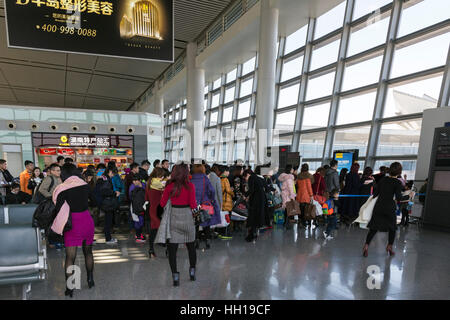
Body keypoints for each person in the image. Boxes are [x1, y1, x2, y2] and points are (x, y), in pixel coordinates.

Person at [50, 163, 95, 298]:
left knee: (70, 257)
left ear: (64, 174)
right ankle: (90, 279)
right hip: (87, 221)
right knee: (88, 252)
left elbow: (58, 208)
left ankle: (70, 287)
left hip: (71, 223)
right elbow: (94, 201)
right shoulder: (85, 185)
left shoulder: (62, 189)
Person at [158, 164, 198, 287]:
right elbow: (193, 205)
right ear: (186, 173)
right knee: (191, 246)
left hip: (174, 216)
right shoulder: (190, 186)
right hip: (187, 216)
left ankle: (175, 276)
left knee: (172, 249)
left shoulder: (169, 186)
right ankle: (192, 271)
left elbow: (162, 203)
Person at [363, 162, 410, 257]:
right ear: (399, 172)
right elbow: (399, 198)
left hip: (379, 206)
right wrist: (409, 195)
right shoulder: (397, 182)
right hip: (389, 207)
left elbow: (376, 193)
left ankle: (366, 246)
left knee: (374, 228)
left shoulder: (383, 179)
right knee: (392, 228)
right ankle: (389, 247)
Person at [191, 164, 221, 249]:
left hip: (194, 204)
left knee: (196, 224)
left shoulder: (191, 180)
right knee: (206, 223)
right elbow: (212, 191)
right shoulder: (205, 179)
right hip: (205, 203)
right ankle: (207, 242)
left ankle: (196, 241)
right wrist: (211, 199)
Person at [145, 167, 166, 258]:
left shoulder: (149, 183)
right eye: (161, 175)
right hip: (159, 210)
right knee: (164, 229)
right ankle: (168, 250)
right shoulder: (158, 184)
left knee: (154, 230)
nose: (162, 177)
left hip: (152, 209)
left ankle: (151, 249)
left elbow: (146, 198)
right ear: (158, 175)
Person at [242, 169, 267, 242]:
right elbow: (266, 187)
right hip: (261, 200)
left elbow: (251, 190)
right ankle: (254, 233)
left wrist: (245, 195)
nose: (246, 179)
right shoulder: (258, 178)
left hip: (256, 200)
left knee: (252, 217)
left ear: (248, 174)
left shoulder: (251, 178)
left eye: (245, 177)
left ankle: (252, 235)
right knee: (256, 217)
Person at [97, 167, 119, 244]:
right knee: (108, 221)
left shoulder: (103, 178)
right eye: (113, 174)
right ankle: (108, 238)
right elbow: (105, 191)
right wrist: (114, 193)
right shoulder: (106, 179)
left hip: (104, 202)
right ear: (110, 171)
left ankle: (108, 238)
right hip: (107, 203)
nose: (113, 176)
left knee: (107, 221)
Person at [296, 164, 314, 229]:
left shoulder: (299, 176)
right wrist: (311, 195)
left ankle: (300, 221)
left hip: (299, 194)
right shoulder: (309, 176)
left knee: (301, 209)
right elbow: (309, 187)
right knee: (306, 210)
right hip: (306, 195)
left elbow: (297, 185)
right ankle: (305, 222)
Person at [130, 175, 146, 243]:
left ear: (139, 180)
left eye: (135, 180)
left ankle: (139, 235)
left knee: (140, 221)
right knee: (138, 221)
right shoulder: (132, 187)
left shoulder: (143, 185)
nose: (134, 182)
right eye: (133, 180)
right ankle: (138, 236)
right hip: (136, 206)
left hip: (140, 206)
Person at [219, 165, 234, 240]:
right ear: (225, 171)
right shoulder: (225, 179)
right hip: (226, 201)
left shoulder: (219, 178)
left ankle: (220, 232)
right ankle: (225, 234)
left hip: (222, 201)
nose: (229, 173)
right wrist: (233, 193)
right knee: (227, 218)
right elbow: (228, 190)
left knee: (222, 217)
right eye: (228, 171)